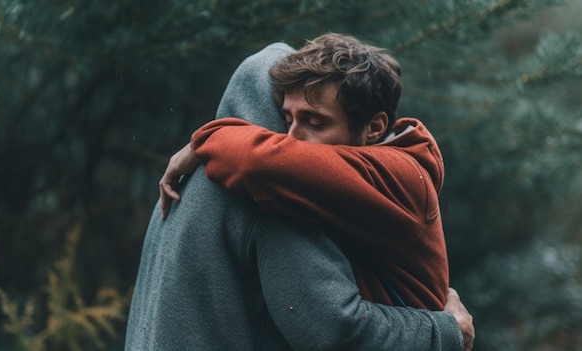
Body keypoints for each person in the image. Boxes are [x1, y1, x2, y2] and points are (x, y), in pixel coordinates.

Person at [126, 40, 474, 350]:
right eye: (286, 117)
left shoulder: (398, 176)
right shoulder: (267, 196)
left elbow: (256, 161)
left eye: (316, 122)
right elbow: (332, 331)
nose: (292, 139)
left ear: (375, 127)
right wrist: (446, 333)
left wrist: (204, 140)